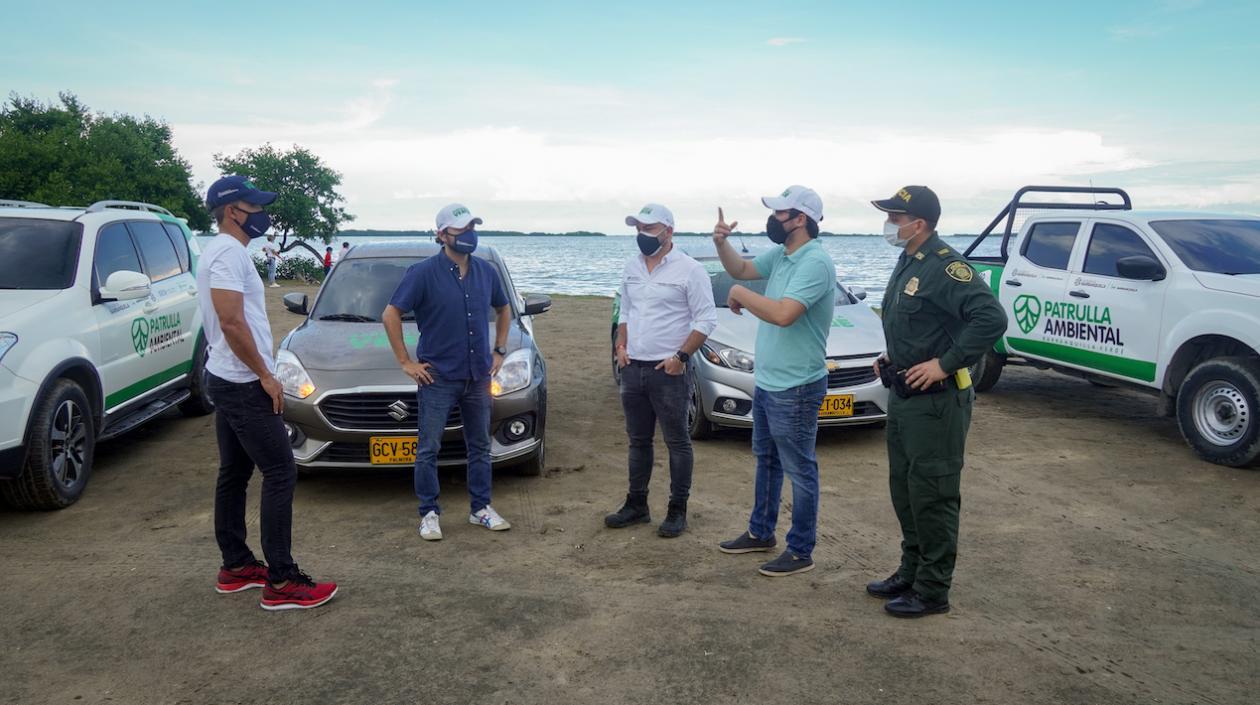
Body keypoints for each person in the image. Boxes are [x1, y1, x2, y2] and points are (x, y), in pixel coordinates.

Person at [198, 175, 337, 611]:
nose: (261, 214)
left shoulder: (227, 252)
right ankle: (281, 582)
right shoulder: (225, 253)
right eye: (253, 206)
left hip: (228, 375)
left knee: (235, 473)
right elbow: (231, 321)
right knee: (281, 472)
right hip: (242, 382)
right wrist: (266, 375)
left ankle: (236, 566)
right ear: (232, 211)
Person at [866, 185, 1006, 618]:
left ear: (918, 223)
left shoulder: (946, 267)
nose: (889, 224)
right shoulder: (910, 260)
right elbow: (920, 322)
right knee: (905, 489)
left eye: (895, 217)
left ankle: (933, 589)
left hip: (938, 403)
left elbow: (991, 318)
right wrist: (895, 355)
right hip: (907, 395)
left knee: (933, 492)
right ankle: (910, 571)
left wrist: (944, 364)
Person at [712, 186, 837, 577]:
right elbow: (742, 271)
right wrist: (721, 243)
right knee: (766, 461)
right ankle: (760, 532)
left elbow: (785, 314)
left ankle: (800, 550)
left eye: (781, 213)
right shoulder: (784, 255)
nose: (774, 219)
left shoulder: (814, 262)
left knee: (800, 468)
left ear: (800, 219)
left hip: (796, 386)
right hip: (769, 381)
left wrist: (740, 296)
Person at [382, 203, 512, 540]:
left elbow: (504, 308)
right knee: (428, 448)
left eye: (472, 227)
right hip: (438, 377)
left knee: (480, 446)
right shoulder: (423, 273)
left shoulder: (485, 271)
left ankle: (480, 508)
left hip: (478, 375)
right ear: (442, 235)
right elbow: (391, 314)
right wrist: (405, 362)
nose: (469, 235)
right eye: (461, 229)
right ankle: (428, 513)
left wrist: (499, 349)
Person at [606, 204, 717, 538]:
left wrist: (681, 357)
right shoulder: (631, 267)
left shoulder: (690, 270)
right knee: (637, 441)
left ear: (669, 231)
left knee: (677, 442)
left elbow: (706, 319)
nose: (643, 235)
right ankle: (636, 505)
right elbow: (625, 310)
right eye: (638, 228)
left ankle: (677, 510)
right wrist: (621, 346)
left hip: (668, 371)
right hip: (632, 368)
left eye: (650, 228)